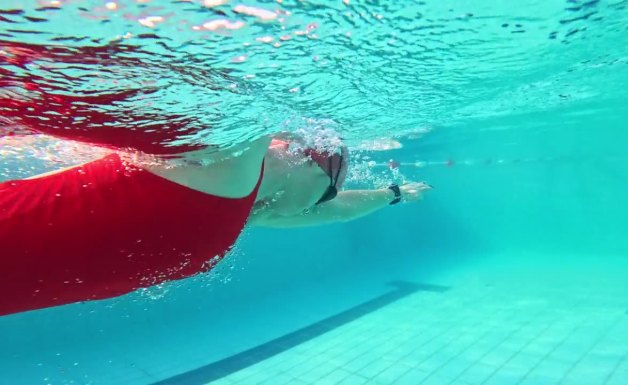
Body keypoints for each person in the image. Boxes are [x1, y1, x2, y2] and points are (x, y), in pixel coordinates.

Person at [0, 40, 430, 316]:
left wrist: (391, 193)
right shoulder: (230, 191)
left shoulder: (232, 180)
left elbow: (333, 210)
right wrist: (392, 193)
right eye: (328, 190)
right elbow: (333, 210)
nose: (321, 202)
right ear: (306, 161)